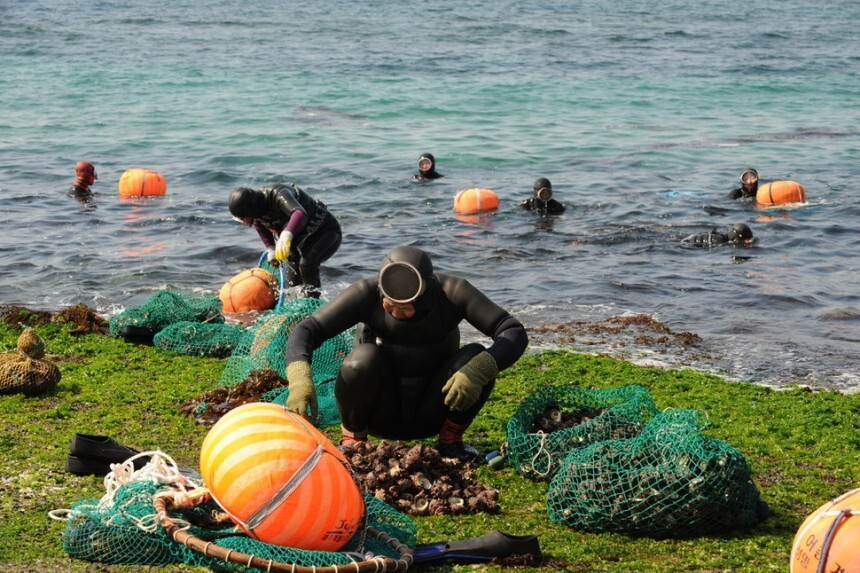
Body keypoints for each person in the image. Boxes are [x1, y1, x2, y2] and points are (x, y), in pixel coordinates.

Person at [285, 245, 528, 461]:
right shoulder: (365, 293)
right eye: (390, 305)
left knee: (477, 357)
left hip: (434, 407)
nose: (396, 314)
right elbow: (307, 330)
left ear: (427, 293)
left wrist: (477, 371)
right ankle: (354, 442)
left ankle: (451, 440)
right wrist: (299, 380)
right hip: (379, 411)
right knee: (360, 360)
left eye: (405, 308)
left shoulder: (452, 293)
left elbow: (512, 331)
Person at [228, 183, 341, 298]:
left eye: (242, 218)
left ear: (250, 209)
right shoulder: (258, 213)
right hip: (298, 240)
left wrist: (287, 234)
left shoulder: (278, 194)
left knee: (306, 265)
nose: (244, 222)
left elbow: (299, 213)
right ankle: (298, 307)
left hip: (327, 232)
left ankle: (314, 303)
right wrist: (271, 248)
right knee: (290, 287)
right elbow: (259, 223)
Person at [681, 223, 754, 247]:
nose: (749, 242)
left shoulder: (722, 238)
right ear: (736, 238)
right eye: (746, 240)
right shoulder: (719, 242)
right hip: (686, 243)